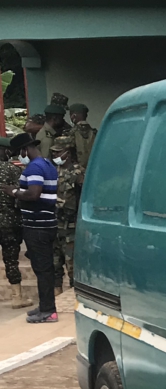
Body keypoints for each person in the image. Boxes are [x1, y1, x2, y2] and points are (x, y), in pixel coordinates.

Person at [1, 133, 59, 323]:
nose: (19, 156)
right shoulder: (48, 164)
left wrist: (14, 191)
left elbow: (34, 194)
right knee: (43, 267)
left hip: (38, 226)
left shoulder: (34, 167)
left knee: (42, 269)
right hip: (47, 223)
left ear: (26, 150)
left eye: (20, 152)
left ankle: (48, 311)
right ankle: (44, 306)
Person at [0, 138, 32, 308]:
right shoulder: (13, 170)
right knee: (11, 259)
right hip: (10, 223)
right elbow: (22, 194)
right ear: (5, 151)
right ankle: (16, 297)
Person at [50, 136, 82, 292]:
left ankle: (71, 299)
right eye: (54, 153)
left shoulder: (78, 172)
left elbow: (83, 198)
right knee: (55, 265)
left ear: (67, 153)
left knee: (72, 267)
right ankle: (57, 297)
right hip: (54, 226)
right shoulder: (52, 171)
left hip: (71, 227)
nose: (55, 156)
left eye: (58, 152)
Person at [68, 103, 97, 170]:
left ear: (74, 115)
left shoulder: (70, 133)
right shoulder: (95, 132)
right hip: (93, 170)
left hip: (77, 172)